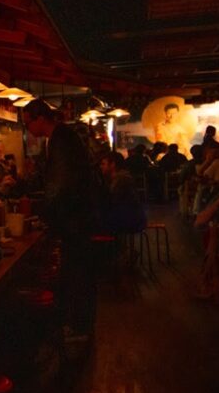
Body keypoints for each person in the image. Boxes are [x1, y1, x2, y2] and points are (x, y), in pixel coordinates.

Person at [21, 99, 102, 345]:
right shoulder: (61, 138)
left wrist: (42, 215)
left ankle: (79, 328)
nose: (27, 129)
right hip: (78, 217)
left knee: (77, 273)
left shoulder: (62, 141)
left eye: (28, 123)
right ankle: (79, 326)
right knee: (77, 272)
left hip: (76, 220)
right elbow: (53, 181)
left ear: (41, 119)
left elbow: (60, 186)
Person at [99, 152, 146, 234]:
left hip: (130, 221)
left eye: (103, 164)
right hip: (132, 219)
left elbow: (112, 202)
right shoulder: (121, 178)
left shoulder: (121, 180)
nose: (101, 167)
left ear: (112, 164)